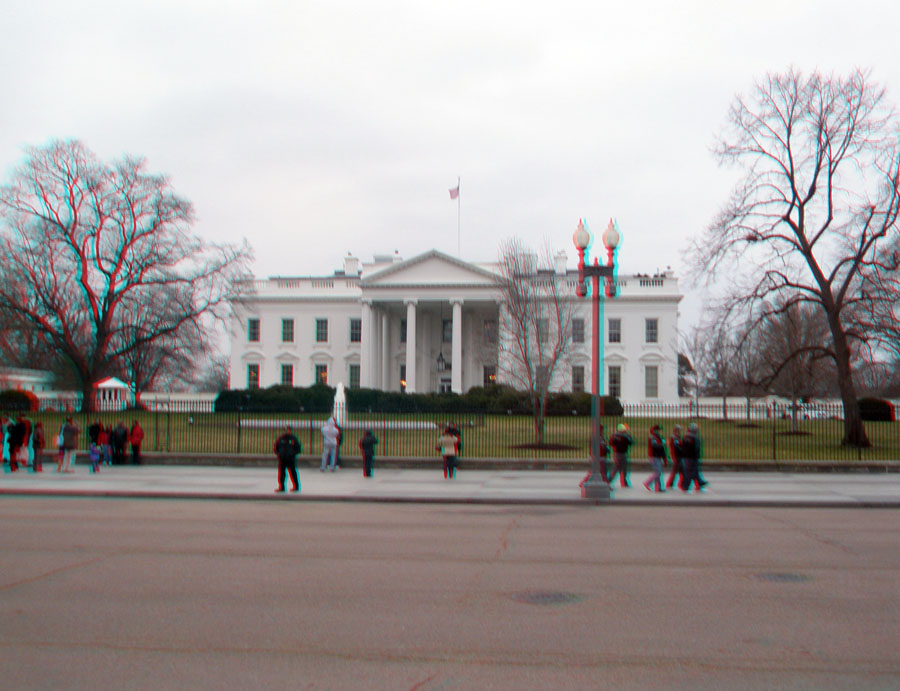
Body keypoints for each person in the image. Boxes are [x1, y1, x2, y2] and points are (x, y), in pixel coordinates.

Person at [579, 423, 609, 487]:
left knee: (595, 471)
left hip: (600, 456)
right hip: (598, 457)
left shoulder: (600, 437)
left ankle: (583, 482)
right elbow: (597, 447)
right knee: (602, 472)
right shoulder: (597, 437)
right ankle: (606, 484)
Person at [273, 425, 301, 492]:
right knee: (282, 474)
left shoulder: (294, 439)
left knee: (293, 473)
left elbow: (298, 449)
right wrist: (279, 454)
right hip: (282, 459)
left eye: (289, 430)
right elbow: (276, 447)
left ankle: (296, 486)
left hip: (290, 459)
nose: (288, 431)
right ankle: (281, 487)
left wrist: (292, 454)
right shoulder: (281, 438)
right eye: (286, 430)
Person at [681, 422, 708, 492]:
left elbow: (683, 446)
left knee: (694, 470)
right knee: (691, 472)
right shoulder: (694, 437)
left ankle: (700, 482)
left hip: (686, 457)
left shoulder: (685, 436)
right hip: (692, 457)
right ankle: (686, 486)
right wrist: (697, 456)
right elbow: (695, 448)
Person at [643, 424, 669, 493]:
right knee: (658, 472)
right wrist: (663, 443)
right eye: (658, 430)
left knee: (658, 472)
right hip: (654, 456)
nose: (659, 431)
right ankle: (647, 482)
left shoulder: (658, 437)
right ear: (654, 430)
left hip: (658, 456)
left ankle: (658, 487)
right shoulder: (653, 438)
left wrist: (664, 458)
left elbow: (662, 449)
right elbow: (655, 446)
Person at [608, 423, 634, 488]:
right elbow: (631, 442)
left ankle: (624, 482)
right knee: (616, 468)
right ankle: (608, 481)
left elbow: (630, 442)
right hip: (619, 453)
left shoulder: (617, 436)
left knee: (623, 469)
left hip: (620, 453)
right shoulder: (620, 436)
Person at [666, 425, 685, 490]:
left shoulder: (677, 437)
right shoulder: (674, 438)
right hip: (677, 456)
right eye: (679, 430)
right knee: (675, 471)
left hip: (679, 456)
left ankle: (682, 483)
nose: (680, 431)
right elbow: (676, 447)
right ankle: (670, 484)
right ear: (676, 430)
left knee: (682, 470)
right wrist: (683, 449)